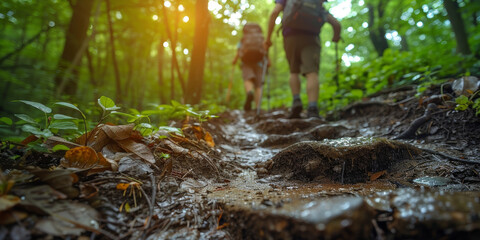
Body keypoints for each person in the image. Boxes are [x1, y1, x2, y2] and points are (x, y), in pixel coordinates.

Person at [264, 0, 341, 118]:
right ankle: (313, 108)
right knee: (312, 73)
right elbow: (336, 24)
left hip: (290, 36)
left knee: (293, 71)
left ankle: (296, 101)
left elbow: (275, 12)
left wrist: (268, 38)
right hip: (311, 37)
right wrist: (336, 36)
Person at [232, 23, 267, 111]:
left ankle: (249, 92)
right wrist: (268, 61)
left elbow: (239, 51)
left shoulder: (243, 39)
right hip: (259, 63)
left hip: (246, 61)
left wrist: (235, 60)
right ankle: (257, 107)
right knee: (258, 85)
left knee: (248, 78)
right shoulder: (261, 38)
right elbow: (265, 50)